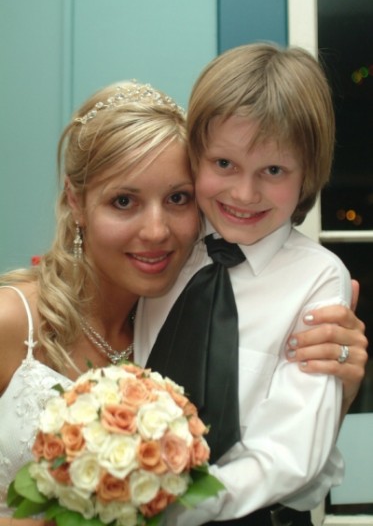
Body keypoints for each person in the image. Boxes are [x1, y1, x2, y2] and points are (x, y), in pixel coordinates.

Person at [0, 78, 367, 526]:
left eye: (177, 198)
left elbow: (291, 476)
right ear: (76, 202)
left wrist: (338, 393)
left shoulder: (179, 311)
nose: (157, 230)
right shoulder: (12, 319)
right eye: (123, 201)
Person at [134, 43, 368, 525]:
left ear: (307, 177)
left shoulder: (318, 279)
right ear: (194, 156)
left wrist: (169, 510)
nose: (244, 193)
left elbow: (289, 450)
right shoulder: (167, 248)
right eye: (223, 164)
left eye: (274, 171)